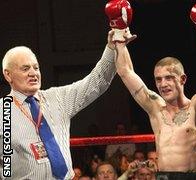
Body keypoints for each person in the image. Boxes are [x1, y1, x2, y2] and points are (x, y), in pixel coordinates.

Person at [0, 30, 117, 179]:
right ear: (8, 75)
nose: (33, 73)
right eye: (25, 68)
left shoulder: (57, 97)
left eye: (36, 68)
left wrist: (112, 48)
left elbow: (96, 83)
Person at [114, 33, 196, 179]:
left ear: (182, 79)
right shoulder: (155, 108)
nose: (163, 84)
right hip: (163, 177)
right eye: (158, 79)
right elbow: (125, 72)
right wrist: (119, 38)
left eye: (169, 78)